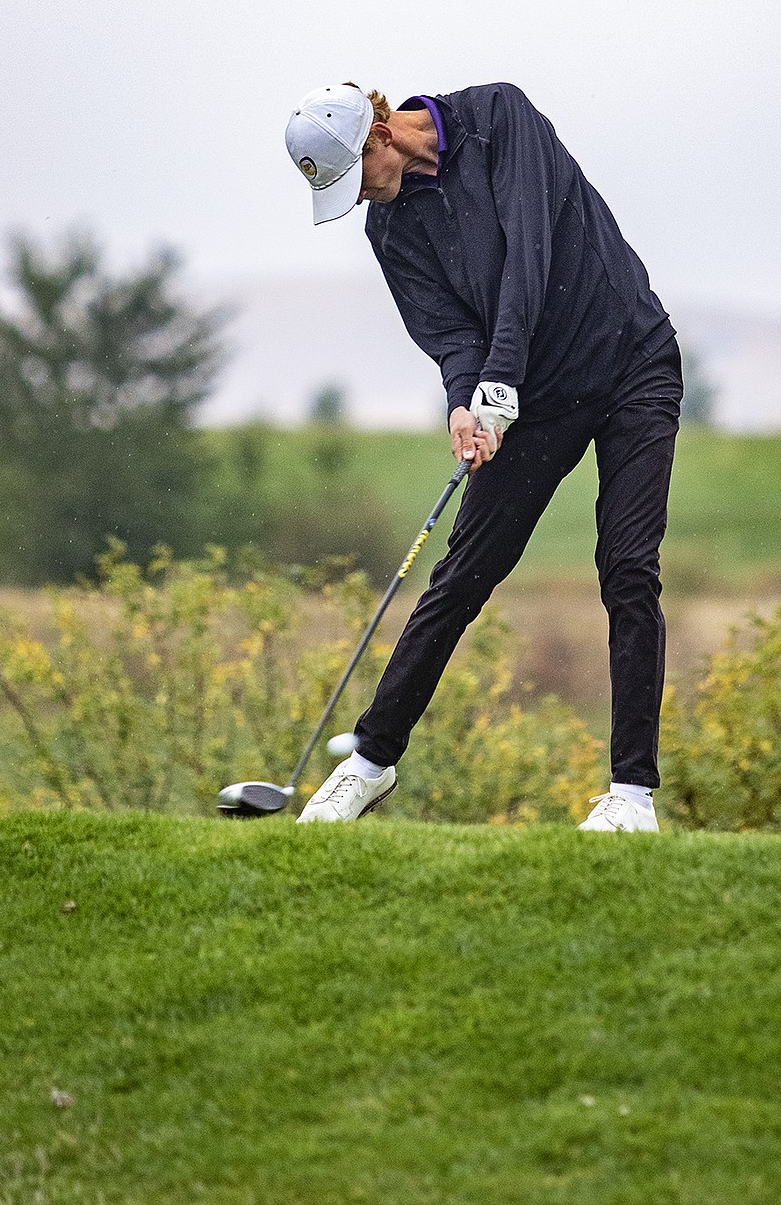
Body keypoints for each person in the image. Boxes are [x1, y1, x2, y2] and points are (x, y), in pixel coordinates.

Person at [284, 80, 681, 831]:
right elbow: (449, 332)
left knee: (628, 567)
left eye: (356, 178)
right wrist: (466, 402)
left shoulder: (501, 118)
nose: (361, 198)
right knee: (463, 572)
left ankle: (631, 796)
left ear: (379, 138)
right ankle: (369, 762)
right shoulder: (389, 229)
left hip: (632, 360)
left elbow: (530, 261)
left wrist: (498, 378)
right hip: (532, 398)